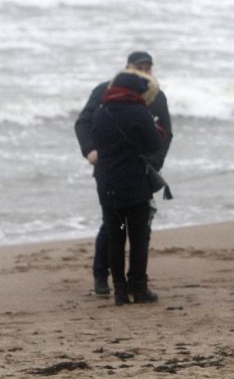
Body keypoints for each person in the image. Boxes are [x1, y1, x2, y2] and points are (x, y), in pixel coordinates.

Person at [74, 51, 172, 297]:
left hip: (142, 170)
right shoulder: (104, 90)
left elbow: (165, 133)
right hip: (108, 166)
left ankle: (134, 283)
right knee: (112, 226)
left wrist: (154, 163)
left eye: (148, 68)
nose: (144, 72)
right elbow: (83, 122)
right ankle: (101, 276)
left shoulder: (155, 94)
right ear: (126, 68)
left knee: (141, 226)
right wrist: (91, 151)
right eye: (139, 67)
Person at [91, 69, 165, 305]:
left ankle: (120, 291)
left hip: (108, 186)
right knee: (138, 238)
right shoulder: (138, 112)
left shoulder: (101, 111)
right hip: (134, 187)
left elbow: (97, 142)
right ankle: (139, 288)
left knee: (116, 237)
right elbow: (154, 144)